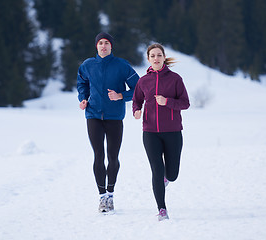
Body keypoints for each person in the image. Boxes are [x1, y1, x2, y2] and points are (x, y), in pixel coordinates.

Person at [77, 32, 139, 213]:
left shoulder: (122, 65)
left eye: (107, 43)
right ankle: (101, 196)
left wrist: (121, 95)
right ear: (96, 46)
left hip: (114, 117)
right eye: (100, 43)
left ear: (112, 46)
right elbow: (82, 84)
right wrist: (83, 98)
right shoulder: (87, 65)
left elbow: (139, 88)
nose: (103, 46)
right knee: (98, 156)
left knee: (113, 156)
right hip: (93, 115)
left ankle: (110, 194)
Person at [132, 43, 190, 221]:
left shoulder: (175, 79)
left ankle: (166, 179)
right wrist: (136, 111)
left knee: (171, 174)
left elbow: (185, 103)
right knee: (157, 171)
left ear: (164, 57)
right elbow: (136, 100)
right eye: (152, 56)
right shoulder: (143, 81)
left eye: (159, 55)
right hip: (150, 132)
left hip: (172, 131)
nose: (156, 58)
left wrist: (168, 102)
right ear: (148, 59)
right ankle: (162, 209)